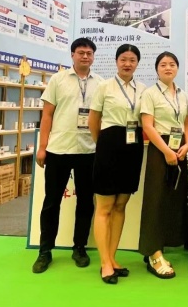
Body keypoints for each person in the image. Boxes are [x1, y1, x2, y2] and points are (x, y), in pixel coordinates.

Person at [32, 38, 103, 274]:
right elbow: (47, 115)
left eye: (89, 53)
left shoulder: (101, 83)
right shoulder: (58, 79)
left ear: (93, 56)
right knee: (51, 202)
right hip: (58, 149)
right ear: (72, 54)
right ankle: (45, 251)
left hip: (88, 150)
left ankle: (79, 247)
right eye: (81, 52)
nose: (85, 56)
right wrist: (42, 147)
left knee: (85, 202)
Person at [89, 44, 146, 285]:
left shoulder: (143, 90)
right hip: (109, 146)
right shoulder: (104, 87)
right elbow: (93, 120)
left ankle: (113, 258)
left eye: (132, 60)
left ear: (137, 63)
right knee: (104, 206)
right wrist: (103, 144)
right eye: (123, 59)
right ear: (116, 61)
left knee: (121, 205)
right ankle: (104, 262)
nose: (127, 64)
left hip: (133, 148)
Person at [139, 52, 188, 279]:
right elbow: (148, 126)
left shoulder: (182, 94)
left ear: (177, 68)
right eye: (163, 65)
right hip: (160, 149)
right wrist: (166, 151)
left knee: (172, 199)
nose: (168, 68)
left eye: (172, 64)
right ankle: (153, 253)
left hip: (179, 149)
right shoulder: (150, 93)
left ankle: (159, 247)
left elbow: (186, 122)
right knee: (155, 200)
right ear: (157, 69)